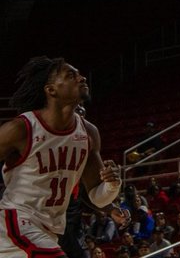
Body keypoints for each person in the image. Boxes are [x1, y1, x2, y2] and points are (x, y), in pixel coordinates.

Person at [0, 58, 123, 258]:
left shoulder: (89, 133)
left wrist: (112, 184)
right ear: (51, 90)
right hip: (15, 222)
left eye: (79, 74)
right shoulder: (21, 128)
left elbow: (96, 196)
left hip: (50, 230)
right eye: (71, 75)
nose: (82, 78)